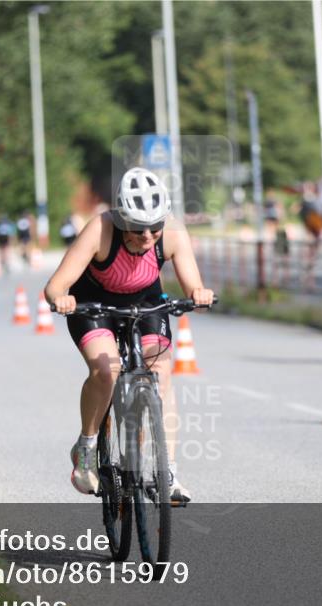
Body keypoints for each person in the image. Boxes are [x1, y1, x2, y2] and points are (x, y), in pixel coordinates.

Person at [44, 167, 214, 503]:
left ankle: (168, 474)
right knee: (106, 370)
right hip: (94, 305)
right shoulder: (100, 230)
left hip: (145, 303)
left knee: (162, 373)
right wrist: (61, 299)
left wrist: (199, 295)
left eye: (155, 226)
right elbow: (55, 286)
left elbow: (193, 287)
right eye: (138, 228)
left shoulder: (173, 233)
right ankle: (86, 449)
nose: (148, 235)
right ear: (122, 220)